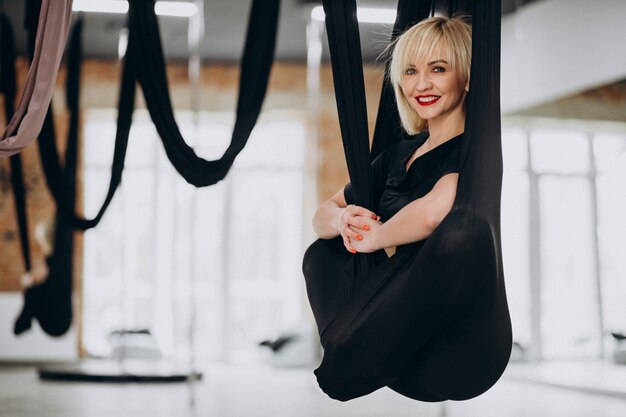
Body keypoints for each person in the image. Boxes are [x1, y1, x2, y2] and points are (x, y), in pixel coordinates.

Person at [304, 15, 511, 402]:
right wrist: (342, 218)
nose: (422, 84)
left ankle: (353, 351)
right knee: (321, 253)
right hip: (400, 352)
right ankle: (349, 346)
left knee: (462, 233)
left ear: (466, 76)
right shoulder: (398, 155)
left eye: (438, 69)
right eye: (411, 71)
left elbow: (436, 212)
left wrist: (376, 237)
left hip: (459, 353)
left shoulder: (476, 153)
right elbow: (321, 216)